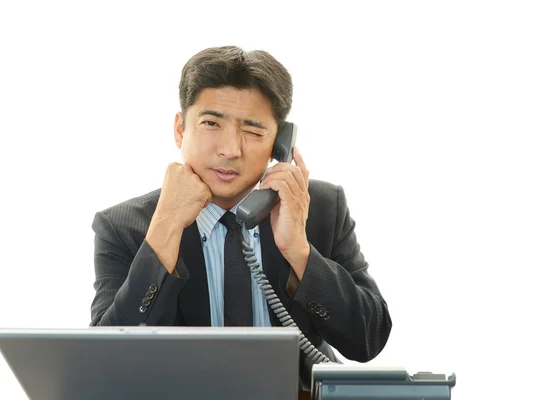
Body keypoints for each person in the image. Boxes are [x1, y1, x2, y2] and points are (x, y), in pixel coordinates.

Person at [89, 45, 392, 390]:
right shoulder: (123, 226)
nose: (230, 149)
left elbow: (370, 339)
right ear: (179, 129)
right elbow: (105, 362)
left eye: (252, 131)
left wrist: (299, 251)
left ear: (280, 143)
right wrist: (165, 229)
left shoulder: (319, 206)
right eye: (211, 123)